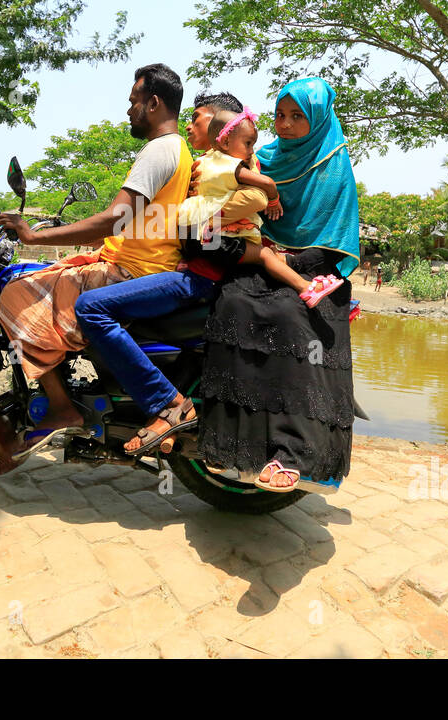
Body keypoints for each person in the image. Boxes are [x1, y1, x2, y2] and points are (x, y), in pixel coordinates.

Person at [0, 63, 192, 473]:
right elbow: (136, 222)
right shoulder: (179, 149)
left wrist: (33, 237)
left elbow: (114, 217)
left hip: (133, 271)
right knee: (43, 283)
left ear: (154, 103)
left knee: (15, 292)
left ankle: (64, 407)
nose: (129, 111)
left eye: (134, 102)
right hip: (136, 260)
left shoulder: (159, 149)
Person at [73, 93, 270, 457]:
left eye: (198, 119)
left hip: (198, 277)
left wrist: (207, 214)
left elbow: (257, 198)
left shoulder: (231, 163)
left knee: (90, 308)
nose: (191, 126)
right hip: (188, 270)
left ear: (219, 127)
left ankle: (168, 402)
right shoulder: (202, 164)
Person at [196, 76, 360, 494]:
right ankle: (229, 446)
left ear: (318, 119)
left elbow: (332, 234)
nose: (284, 125)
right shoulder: (262, 157)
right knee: (232, 304)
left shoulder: (333, 161)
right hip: (261, 254)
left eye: (296, 117)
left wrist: (296, 263)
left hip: (312, 263)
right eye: (279, 116)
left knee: (291, 315)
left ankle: (291, 455)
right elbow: (224, 183)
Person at [176, 106, 344, 306]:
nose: (251, 152)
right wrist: (273, 199)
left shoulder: (203, 161)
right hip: (213, 239)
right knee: (264, 255)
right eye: (248, 144)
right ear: (226, 141)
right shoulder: (227, 163)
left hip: (195, 239)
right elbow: (266, 184)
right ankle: (305, 287)